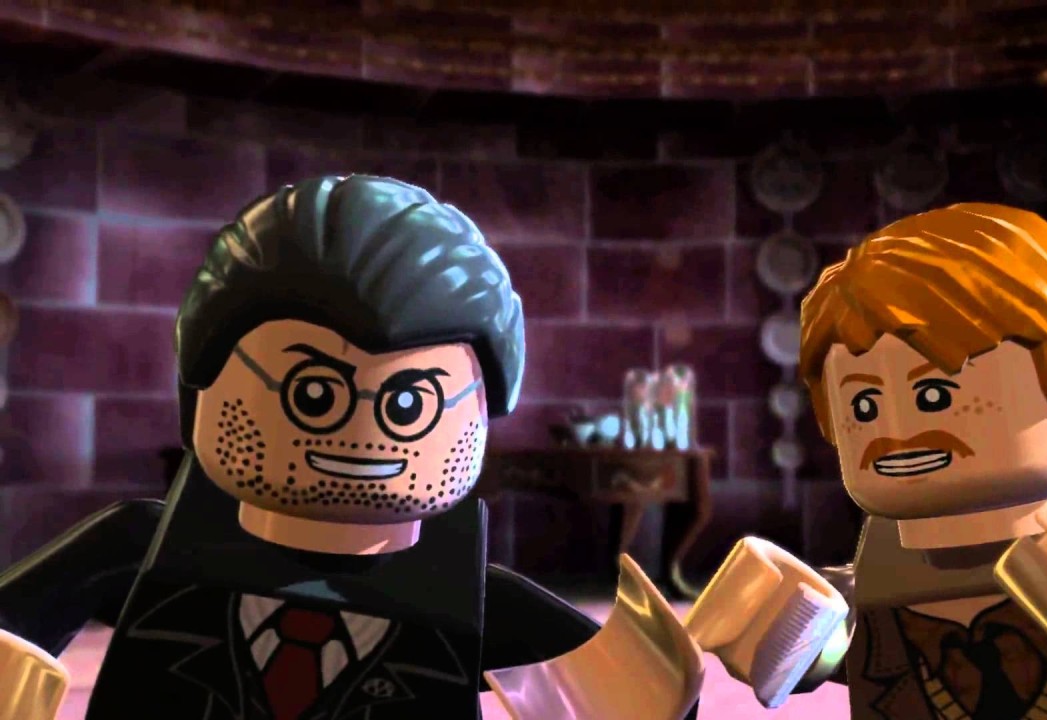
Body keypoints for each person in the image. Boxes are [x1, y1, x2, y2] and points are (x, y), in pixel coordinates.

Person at [0, 175, 699, 719]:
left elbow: (638, 703)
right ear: (202, 387)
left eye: (408, 405)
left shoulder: (476, 600)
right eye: (313, 393)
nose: (364, 434)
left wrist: (745, 634)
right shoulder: (139, 549)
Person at [699, 202, 1047, 718]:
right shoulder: (886, 562)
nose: (897, 432)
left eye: (935, 395)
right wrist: (795, 629)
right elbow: (865, 655)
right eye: (864, 405)